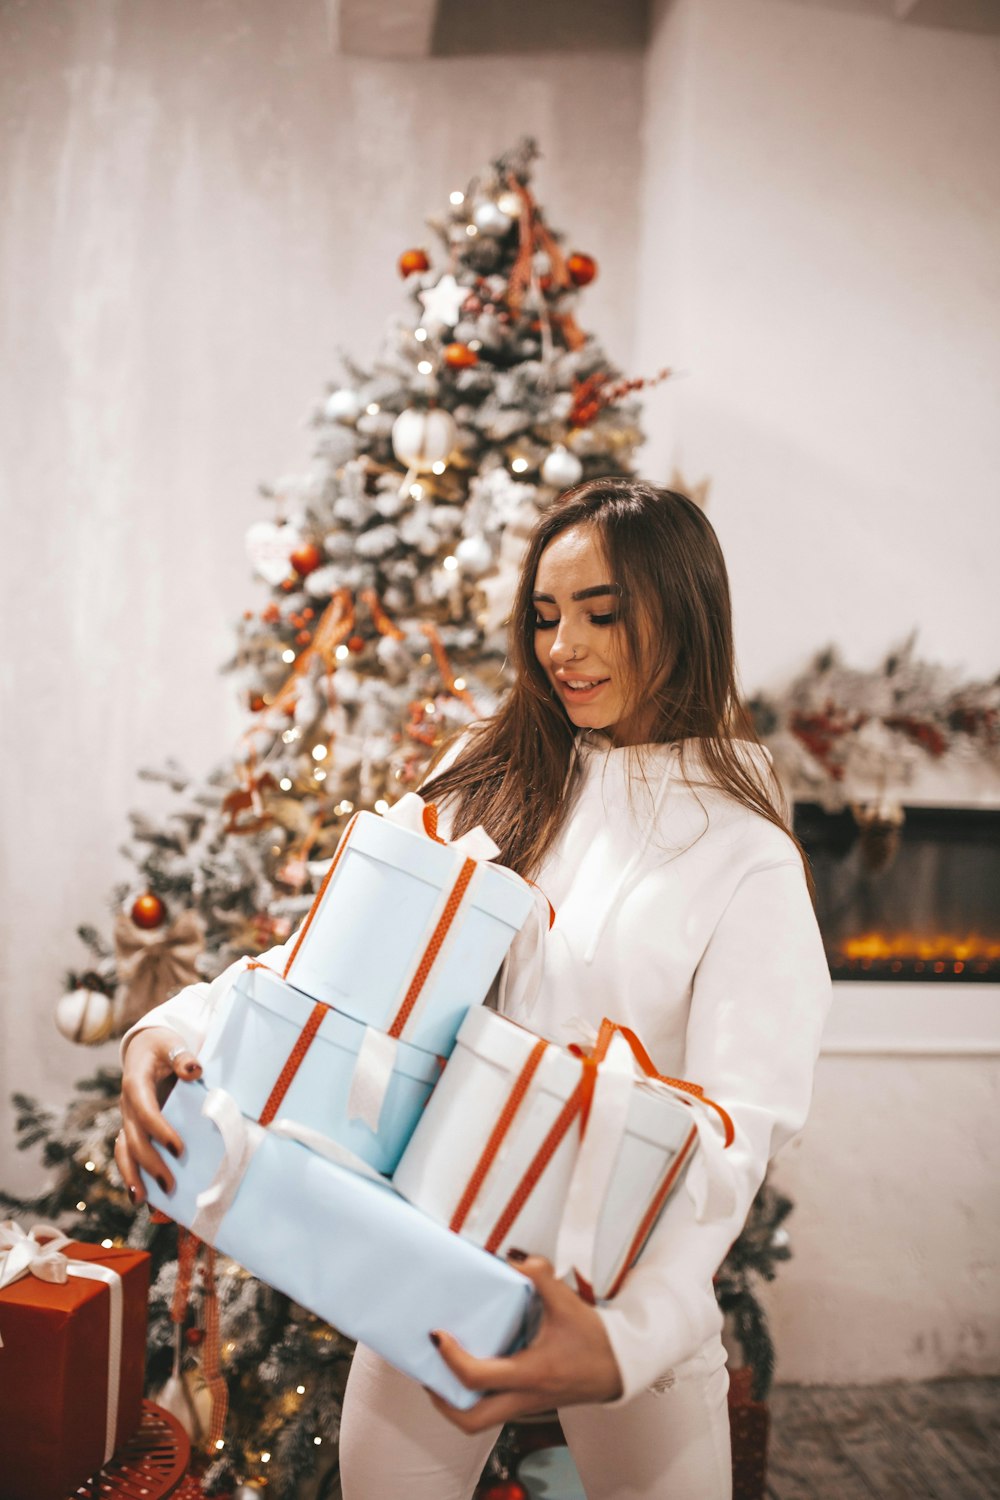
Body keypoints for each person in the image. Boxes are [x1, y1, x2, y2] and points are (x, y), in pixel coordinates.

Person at [116, 478, 831, 1500]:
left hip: (610, 1299)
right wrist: (173, 1026)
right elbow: (332, 961)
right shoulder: (490, 774)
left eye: (600, 613)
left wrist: (629, 1342)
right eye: (544, 616)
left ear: (683, 610)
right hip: (430, 1257)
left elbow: (734, 1139)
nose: (561, 647)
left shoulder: (746, 860)